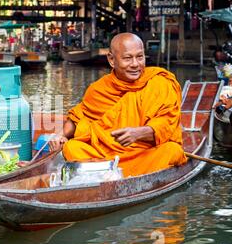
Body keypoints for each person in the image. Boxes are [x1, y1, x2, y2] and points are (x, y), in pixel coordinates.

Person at [49, 32, 187, 177]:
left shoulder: (159, 82)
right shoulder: (99, 89)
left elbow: (166, 123)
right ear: (111, 60)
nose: (135, 64)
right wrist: (60, 135)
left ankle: (106, 173)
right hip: (106, 151)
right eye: (127, 58)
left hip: (144, 153)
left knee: (172, 150)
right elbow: (78, 116)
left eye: (139, 57)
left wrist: (138, 133)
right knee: (72, 147)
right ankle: (111, 172)